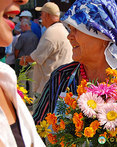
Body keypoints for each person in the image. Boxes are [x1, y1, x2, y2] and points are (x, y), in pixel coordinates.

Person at [33, 0, 117, 146]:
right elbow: (34, 129)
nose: (69, 36)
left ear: (103, 34)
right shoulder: (61, 77)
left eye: (76, 29)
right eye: (69, 29)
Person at [0, 0, 45, 146]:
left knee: (23, 82)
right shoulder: (34, 35)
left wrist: (21, 58)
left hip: (22, 61)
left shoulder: (6, 76)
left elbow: (16, 50)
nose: (24, 0)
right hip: (30, 62)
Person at [20, 2, 73, 98]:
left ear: (47, 15)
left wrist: (24, 59)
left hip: (49, 87)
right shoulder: (60, 29)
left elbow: (36, 57)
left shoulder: (52, 32)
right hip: (58, 84)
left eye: (42, 14)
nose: (40, 17)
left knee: (42, 112)